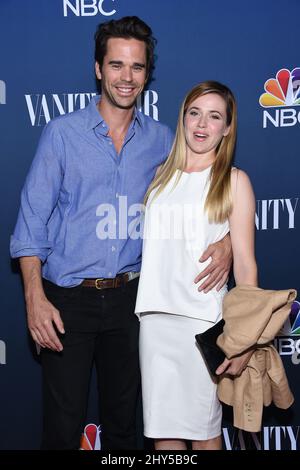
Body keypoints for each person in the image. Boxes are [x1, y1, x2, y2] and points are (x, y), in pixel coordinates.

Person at [10, 17, 231, 450]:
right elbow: (30, 227)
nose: (126, 78)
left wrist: (227, 241)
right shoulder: (61, 135)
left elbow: (211, 187)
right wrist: (34, 299)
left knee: (124, 426)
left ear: (147, 74)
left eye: (136, 67)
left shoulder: (166, 141)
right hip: (67, 301)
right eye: (116, 65)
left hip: (135, 302)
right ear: (98, 69)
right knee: (62, 427)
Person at [135, 81, 258, 450]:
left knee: (205, 437)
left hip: (203, 327)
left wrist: (244, 341)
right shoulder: (159, 177)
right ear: (183, 118)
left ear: (227, 127)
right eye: (195, 113)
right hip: (154, 323)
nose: (202, 124)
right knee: (163, 438)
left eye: (214, 116)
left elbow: (247, 268)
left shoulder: (234, 182)